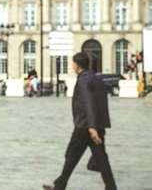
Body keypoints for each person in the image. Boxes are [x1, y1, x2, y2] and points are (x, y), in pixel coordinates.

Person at [43, 52, 116, 190]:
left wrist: (92, 127)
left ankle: (59, 186)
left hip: (85, 126)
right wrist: (99, 126)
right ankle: (111, 187)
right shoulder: (96, 79)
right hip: (96, 125)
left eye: (72, 63)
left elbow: (88, 103)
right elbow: (101, 103)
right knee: (101, 159)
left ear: (76, 65)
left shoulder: (83, 80)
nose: (72, 66)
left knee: (71, 156)